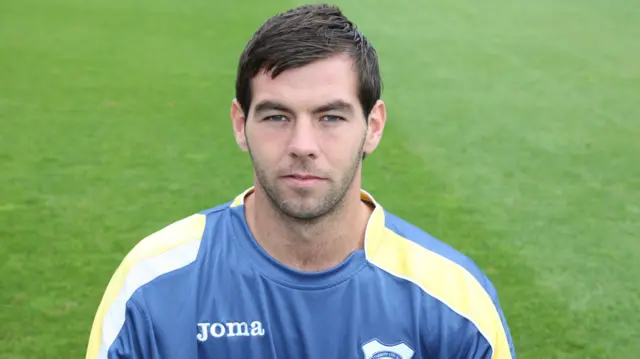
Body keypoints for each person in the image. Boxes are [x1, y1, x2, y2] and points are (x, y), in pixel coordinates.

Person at [85, 3, 516, 359]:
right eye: (277, 116)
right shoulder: (152, 286)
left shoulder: (454, 301)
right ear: (240, 124)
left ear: (374, 126)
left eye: (331, 117)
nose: (303, 144)